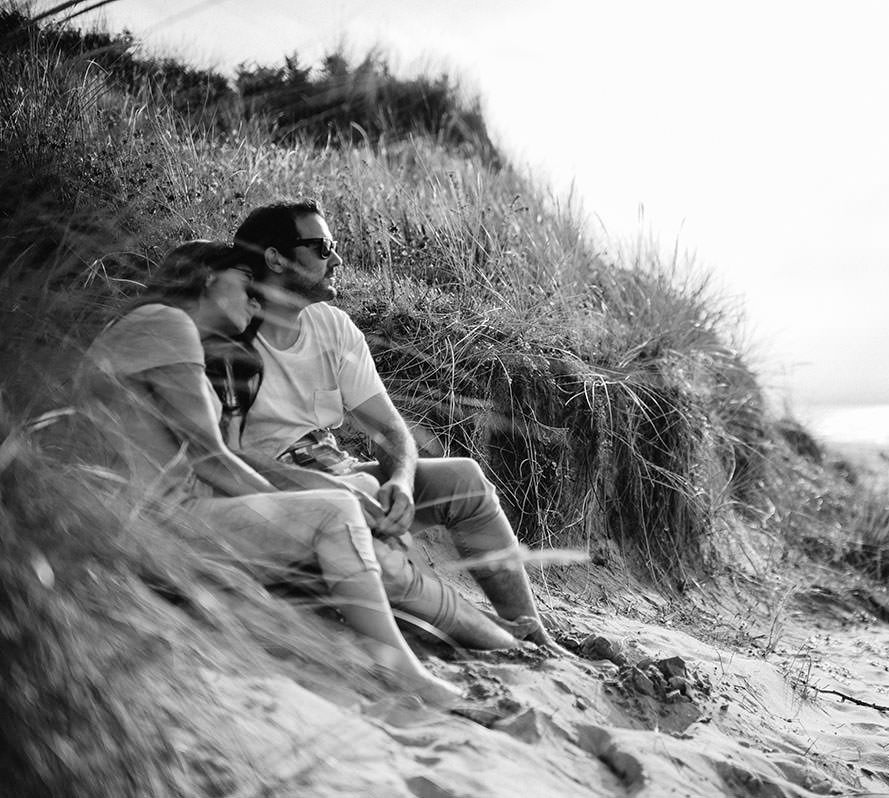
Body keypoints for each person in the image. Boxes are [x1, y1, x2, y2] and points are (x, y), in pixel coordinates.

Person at [79, 240, 462, 706]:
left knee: (339, 504)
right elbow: (210, 458)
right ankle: (403, 673)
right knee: (333, 510)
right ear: (206, 277)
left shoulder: (163, 331)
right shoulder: (166, 322)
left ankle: (372, 640)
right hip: (153, 525)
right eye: (246, 283)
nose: (256, 300)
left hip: (154, 519)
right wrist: (291, 507)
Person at [229, 200, 564, 653]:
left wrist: (403, 483)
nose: (338, 260)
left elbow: (389, 430)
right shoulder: (230, 331)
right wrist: (345, 488)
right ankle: (494, 637)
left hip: (339, 471)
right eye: (323, 247)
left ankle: (532, 630)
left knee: (464, 480)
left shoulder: (333, 328)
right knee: (365, 506)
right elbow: (217, 451)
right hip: (280, 494)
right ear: (275, 258)